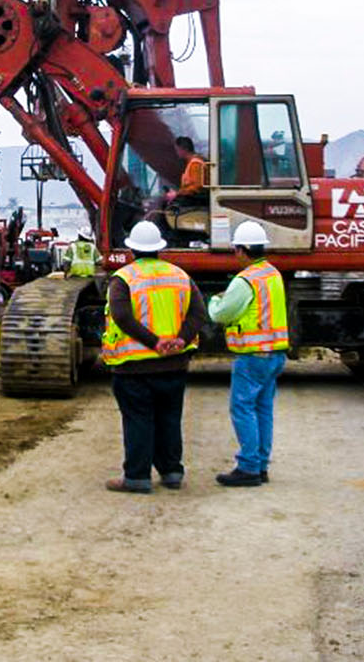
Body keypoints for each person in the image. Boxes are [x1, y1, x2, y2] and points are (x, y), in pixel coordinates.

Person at [101, 220, 207, 493]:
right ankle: (172, 472)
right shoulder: (180, 275)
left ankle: (137, 476)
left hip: (134, 366)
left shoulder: (124, 278)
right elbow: (198, 313)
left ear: (132, 249)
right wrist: (180, 340)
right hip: (174, 364)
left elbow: (122, 316)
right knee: (170, 419)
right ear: (159, 248)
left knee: (138, 420)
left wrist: (153, 342)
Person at [206, 220, 288, 486]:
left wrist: (215, 300)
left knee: (242, 408)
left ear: (241, 250)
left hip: (253, 355)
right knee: (263, 409)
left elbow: (222, 314)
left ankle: (249, 468)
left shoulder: (245, 280)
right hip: (275, 352)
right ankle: (261, 465)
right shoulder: (272, 273)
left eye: (235, 249)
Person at [163, 135, 207, 207]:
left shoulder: (196, 164)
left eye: (177, 150)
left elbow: (196, 187)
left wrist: (177, 194)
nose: (177, 153)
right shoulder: (190, 163)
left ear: (185, 149)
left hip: (195, 200)